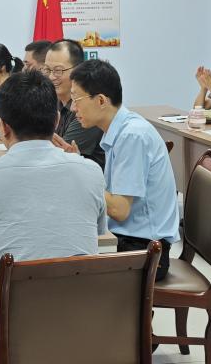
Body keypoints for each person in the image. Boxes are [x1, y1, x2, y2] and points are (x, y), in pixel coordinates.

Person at [0, 70, 106, 364]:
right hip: (76, 335)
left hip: (3, 343)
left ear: (3, 126)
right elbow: (99, 231)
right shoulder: (91, 172)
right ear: (56, 120)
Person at [70, 59, 179, 280]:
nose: (73, 108)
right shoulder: (120, 129)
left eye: (76, 100)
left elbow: (119, 210)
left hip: (147, 253)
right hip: (133, 242)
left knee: (69, 271)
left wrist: (80, 172)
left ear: (101, 100)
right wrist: (78, 162)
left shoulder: (132, 135)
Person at [44, 39, 106, 168]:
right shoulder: (54, 102)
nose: (51, 77)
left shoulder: (87, 107)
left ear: (78, 70)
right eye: (47, 70)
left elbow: (56, 154)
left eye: (58, 71)